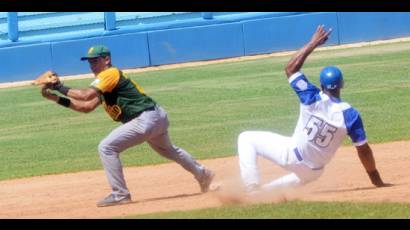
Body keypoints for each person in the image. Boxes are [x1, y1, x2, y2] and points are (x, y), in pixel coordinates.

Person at [40, 45, 214, 207]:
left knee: (107, 147)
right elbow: (86, 107)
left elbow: (85, 95)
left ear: (106, 60)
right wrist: (54, 97)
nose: (92, 65)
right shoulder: (105, 84)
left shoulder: (109, 74)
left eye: (95, 60)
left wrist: (58, 86)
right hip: (156, 117)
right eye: (90, 62)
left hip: (145, 119)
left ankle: (120, 194)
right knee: (169, 150)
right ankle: (203, 174)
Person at [237, 25, 387, 194]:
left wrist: (313, 42)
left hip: (290, 156)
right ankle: (255, 195)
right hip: (312, 173)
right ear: (342, 85)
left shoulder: (311, 96)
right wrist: (375, 178)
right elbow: (363, 150)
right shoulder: (350, 115)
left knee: (246, 138)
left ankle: (251, 187)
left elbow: (290, 68)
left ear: (322, 86)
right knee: (266, 194)